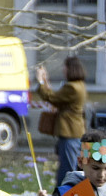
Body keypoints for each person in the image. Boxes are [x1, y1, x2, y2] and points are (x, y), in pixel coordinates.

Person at [35, 56, 88, 187]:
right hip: (74, 133)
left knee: (68, 171)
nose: (63, 70)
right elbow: (58, 99)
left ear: (71, 69)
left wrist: (41, 81)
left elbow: (52, 97)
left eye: (65, 67)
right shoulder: (79, 86)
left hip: (70, 133)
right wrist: (46, 81)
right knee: (70, 169)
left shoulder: (72, 87)